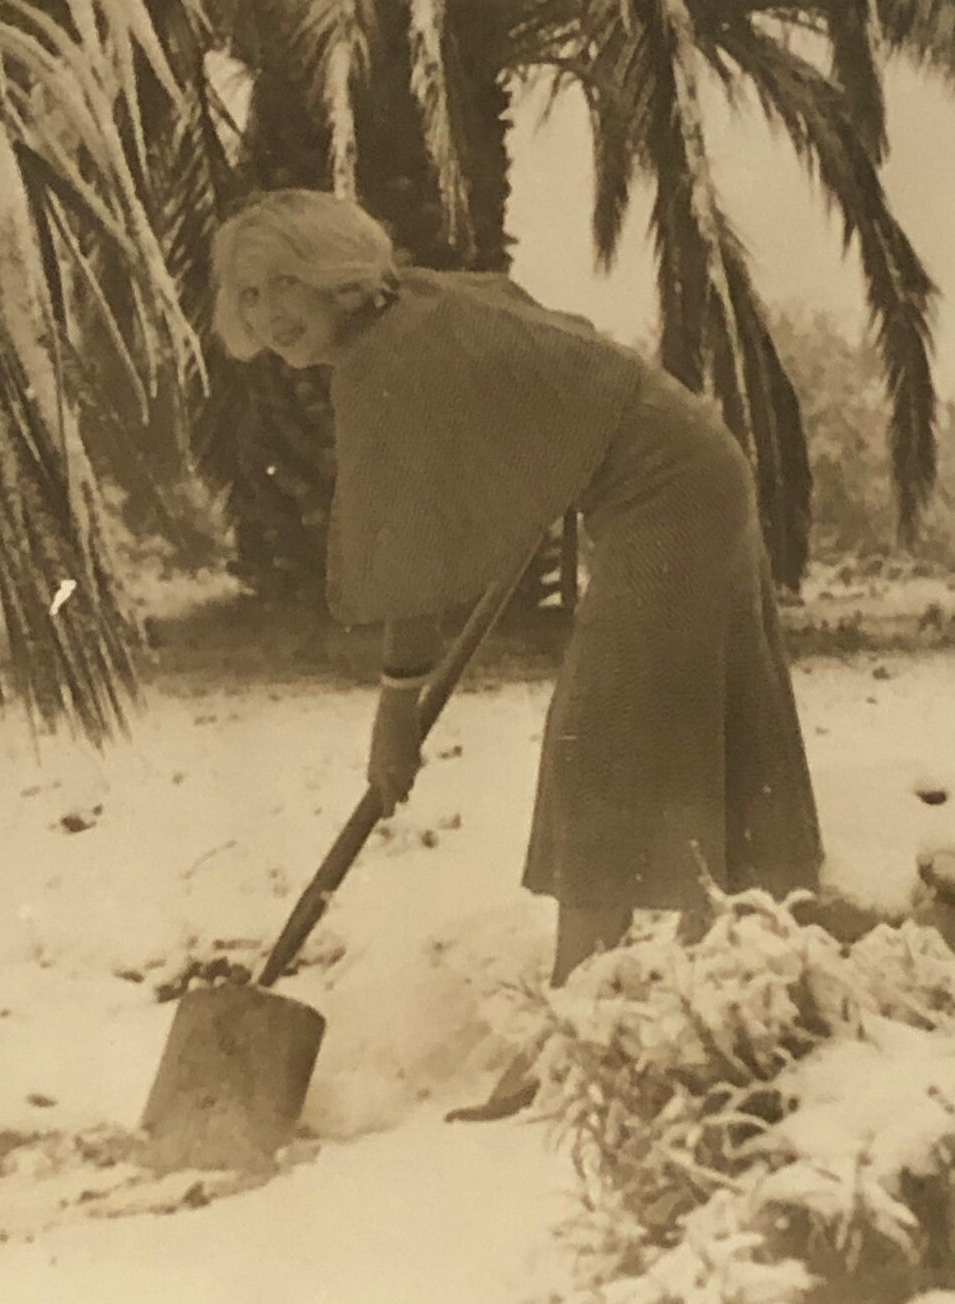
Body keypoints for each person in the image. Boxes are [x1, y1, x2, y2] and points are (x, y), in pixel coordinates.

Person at [210, 189, 824, 1116]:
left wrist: (396, 715)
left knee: (598, 744)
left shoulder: (389, 363)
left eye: (286, 284)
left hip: (667, 493)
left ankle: (570, 1045)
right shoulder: (415, 304)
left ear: (339, 275)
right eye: (250, 294)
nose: (269, 314)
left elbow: (403, 548)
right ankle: (701, 1006)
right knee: (650, 734)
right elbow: (547, 339)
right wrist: (552, 459)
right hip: (690, 461)